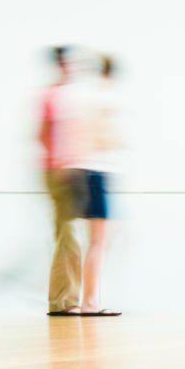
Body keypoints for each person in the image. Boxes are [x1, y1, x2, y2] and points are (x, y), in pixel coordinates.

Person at [70, 53, 122, 316]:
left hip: (88, 171)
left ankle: (88, 299)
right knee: (97, 241)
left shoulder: (84, 97)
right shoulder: (104, 99)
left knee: (97, 240)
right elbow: (106, 137)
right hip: (96, 172)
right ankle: (89, 301)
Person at [38, 46, 83, 316]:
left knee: (71, 236)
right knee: (67, 235)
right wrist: (59, 165)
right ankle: (61, 302)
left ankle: (68, 300)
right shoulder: (52, 96)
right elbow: (43, 134)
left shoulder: (69, 96)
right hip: (59, 172)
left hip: (72, 171)